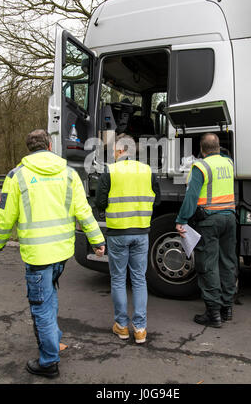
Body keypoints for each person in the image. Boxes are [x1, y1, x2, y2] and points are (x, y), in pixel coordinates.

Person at [0, 129, 105, 378]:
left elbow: (5, 215)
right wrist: (97, 240)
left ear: (29, 148)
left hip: (37, 255)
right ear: (50, 146)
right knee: (50, 297)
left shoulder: (16, 175)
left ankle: (49, 361)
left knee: (41, 306)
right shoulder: (69, 174)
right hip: (61, 252)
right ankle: (53, 339)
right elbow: (84, 211)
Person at [95, 133, 160, 344]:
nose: (113, 153)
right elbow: (156, 199)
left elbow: (100, 202)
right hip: (141, 232)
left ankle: (122, 326)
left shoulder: (110, 171)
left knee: (118, 279)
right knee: (140, 280)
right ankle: (140, 329)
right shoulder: (147, 171)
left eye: (114, 149)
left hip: (118, 233)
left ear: (121, 150)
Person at [176, 133, 237, 328]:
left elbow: (191, 197)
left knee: (208, 264)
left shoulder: (200, 166)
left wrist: (181, 219)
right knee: (227, 262)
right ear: (219, 147)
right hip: (230, 218)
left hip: (210, 220)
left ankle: (213, 313)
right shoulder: (228, 163)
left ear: (201, 150)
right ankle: (227, 308)